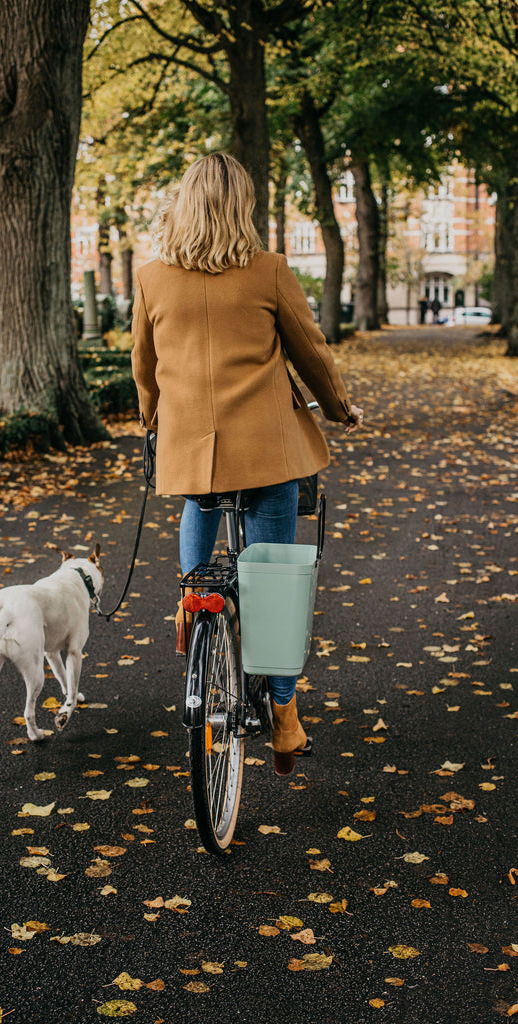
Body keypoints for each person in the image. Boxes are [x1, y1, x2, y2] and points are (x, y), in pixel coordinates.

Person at [131, 152, 363, 776]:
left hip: (192, 451)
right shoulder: (269, 272)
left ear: (183, 204)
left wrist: (154, 422)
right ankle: (284, 717)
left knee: (197, 501)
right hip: (266, 450)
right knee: (277, 586)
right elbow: (310, 351)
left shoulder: (152, 277)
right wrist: (340, 408)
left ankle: (193, 602)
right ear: (242, 207)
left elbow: (144, 370)